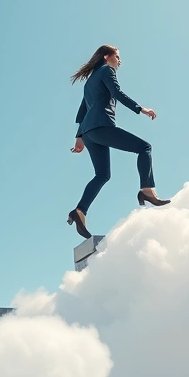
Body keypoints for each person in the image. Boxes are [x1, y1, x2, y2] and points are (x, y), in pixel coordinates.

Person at [66, 44, 170, 239]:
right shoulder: (107, 70)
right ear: (107, 57)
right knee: (144, 147)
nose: (119, 61)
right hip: (101, 127)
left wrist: (79, 137)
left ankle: (80, 211)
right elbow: (117, 93)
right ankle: (147, 190)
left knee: (102, 174)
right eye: (117, 57)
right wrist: (141, 109)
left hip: (89, 133)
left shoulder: (89, 82)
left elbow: (82, 112)